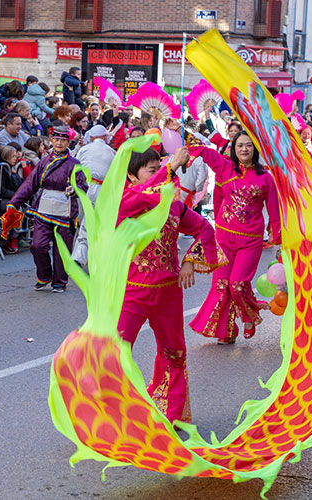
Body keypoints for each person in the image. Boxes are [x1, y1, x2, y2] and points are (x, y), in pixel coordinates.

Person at [117, 146, 223, 424]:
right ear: (131, 177)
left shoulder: (174, 206)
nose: (164, 176)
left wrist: (189, 260)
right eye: (152, 171)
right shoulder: (125, 201)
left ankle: (170, 415)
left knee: (174, 352)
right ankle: (111, 415)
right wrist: (172, 165)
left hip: (168, 293)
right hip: (132, 291)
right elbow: (137, 199)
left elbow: (205, 229)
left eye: (159, 168)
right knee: (115, 350)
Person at [188, 131, 281, 342]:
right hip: (224, 238)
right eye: (240, 145)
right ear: (234, 148)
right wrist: (177, 130)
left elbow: (274, 210)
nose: (244, 149)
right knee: (221, 285)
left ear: (255, 149)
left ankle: (248, 317)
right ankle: (226, 332)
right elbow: (203, 150)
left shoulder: (265, 177)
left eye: (249, 145)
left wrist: (276, 236)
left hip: (250, 240)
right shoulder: (225, 167)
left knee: (237, 284)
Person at [3, 126, 85, 292]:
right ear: (52, 141)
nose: (59, 143)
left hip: (65, 210)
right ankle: (44, 275)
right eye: (56, 140)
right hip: (44, 207)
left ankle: (60, 282)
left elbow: (83, 184)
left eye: (63, 140)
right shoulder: (44, 162)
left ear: (68, 142)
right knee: (37, 246)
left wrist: (74, 189)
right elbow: (29, 184)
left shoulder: (74, 164)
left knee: (62, 250)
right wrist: (14, 203)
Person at [71, 124, 115, 265]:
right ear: (104, 137)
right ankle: (88, 256)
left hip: (82, 187)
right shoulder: (112, 152)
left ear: (91, 137)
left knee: (83, 222)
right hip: (102, 190)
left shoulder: (84, 149)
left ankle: (79, 255)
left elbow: (75, 167)